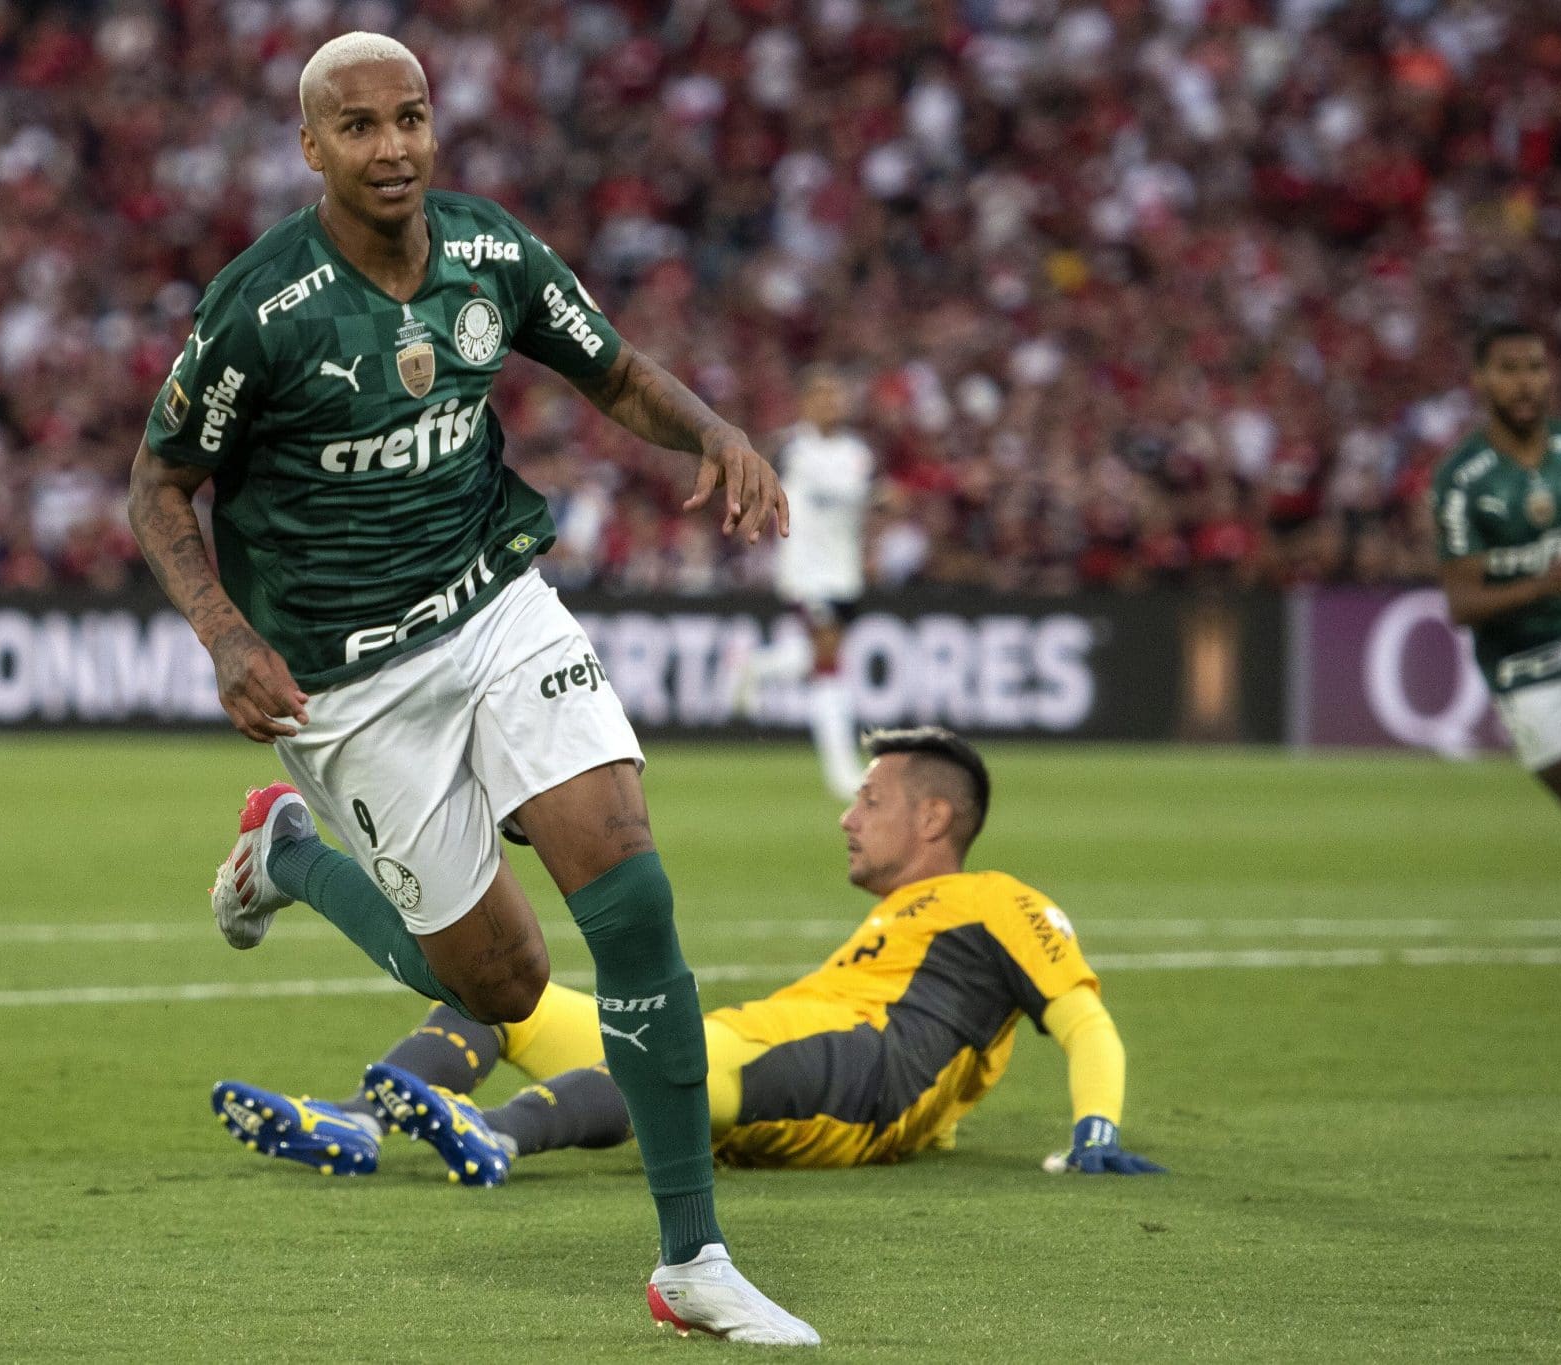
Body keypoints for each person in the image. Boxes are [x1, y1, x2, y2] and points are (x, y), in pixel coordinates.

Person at [128, 32, 813, 1346]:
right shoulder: (260, 309)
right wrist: (223, 634)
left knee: (630, 884)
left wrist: (717, 433)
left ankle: (693, 1258)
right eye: (359, 126)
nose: (392, 146)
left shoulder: (491, 252)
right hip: (347, 681)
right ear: (310, 147)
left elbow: (614, 372)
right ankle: (290, 854)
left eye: (411, 117)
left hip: (494, 602)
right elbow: (159, 484)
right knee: (502, 983)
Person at [212, 727, 1164, 1221]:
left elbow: (1082, 1016)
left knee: (672, 1053)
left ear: (934, 819)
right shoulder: (901, 922)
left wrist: (1095, 1127)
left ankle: (496, 1133)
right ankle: (361, 1120)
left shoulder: (999, 900)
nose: (847, 816)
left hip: (859, 1072)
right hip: (778, 1050)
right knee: (504, 1001)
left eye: (870, 799)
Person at [1431, 322, 1561, 809]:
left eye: (1535, 367)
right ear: (1480, 380)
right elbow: (1462, 604)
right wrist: (1545, 585)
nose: (1525, 382)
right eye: (1508, 370)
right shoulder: (1463, 479)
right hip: (1525, 671)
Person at [750, 366, 877, 800]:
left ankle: (756, 667)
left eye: (837, 395)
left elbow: (855, 501)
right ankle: (841, 772)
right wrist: (877, 496)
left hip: (844, 573)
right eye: (823, 395)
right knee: (828, 662)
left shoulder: (857, 451)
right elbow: (842, 494)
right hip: (806, 572)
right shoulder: (792, 448)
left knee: (815, 657)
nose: (832, 403)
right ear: (805, 403)